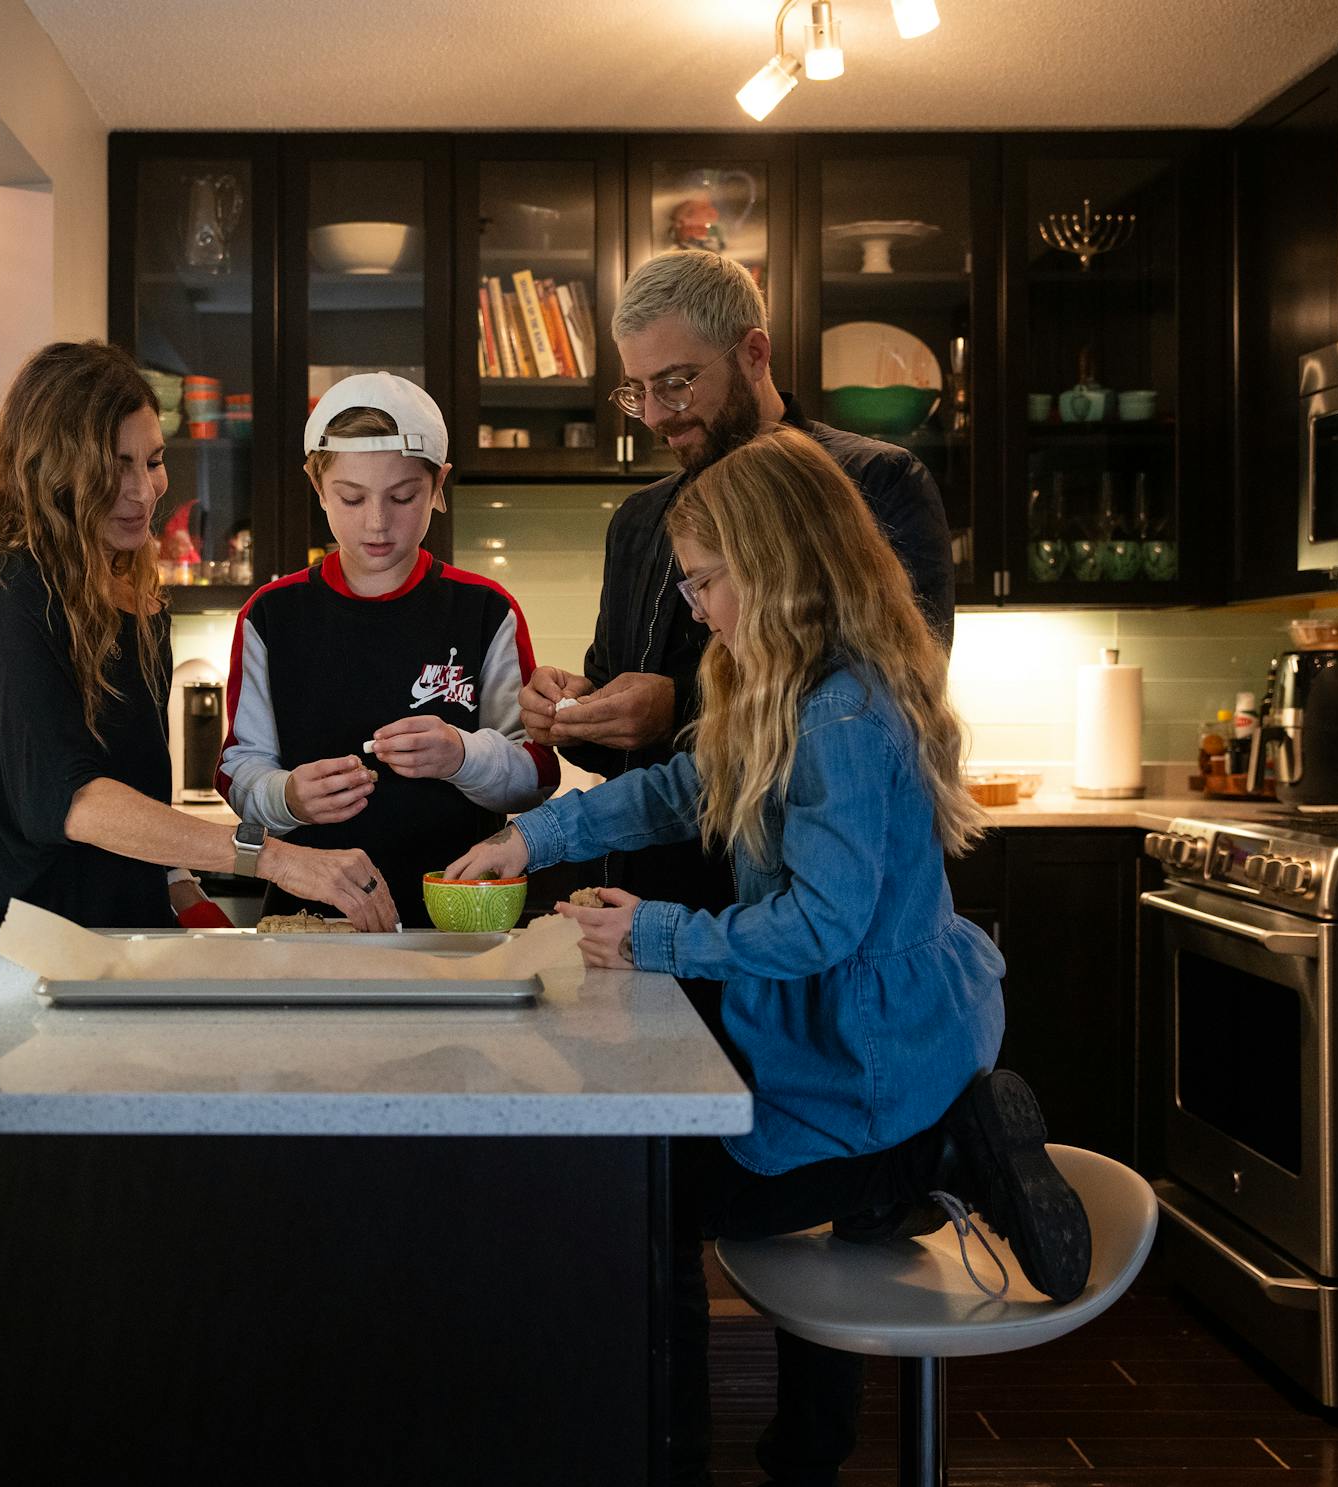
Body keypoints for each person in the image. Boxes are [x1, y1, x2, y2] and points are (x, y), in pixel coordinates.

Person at [446, 427, 1088, 1487]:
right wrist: (535, 836)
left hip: (865, 1053)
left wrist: (649, 933)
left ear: (778, 562)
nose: (693, 604)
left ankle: (924, 1157)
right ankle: (884, 1228)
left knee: (660, 1195)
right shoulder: (781, 677)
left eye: (705, 579)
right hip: (843, 1033)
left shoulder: (841, 709)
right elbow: (678, 788)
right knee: (694, 1181)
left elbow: (819, 926)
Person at [520, 248, 955, 928]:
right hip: (645, 909)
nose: (656, 414)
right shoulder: (640, 522)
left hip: (791, 924)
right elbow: (624, 748)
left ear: (753, 352)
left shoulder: (874, 484)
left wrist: (678, 708)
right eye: (638, 390)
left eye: (677, 381)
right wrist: (574, 715)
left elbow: (895, 692)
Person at [0, 341, 396, 931]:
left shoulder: (138, 606)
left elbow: (134, 792)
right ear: (54, 473)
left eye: (154, 459)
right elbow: (74, 800)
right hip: (10, 955)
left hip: (114, 947)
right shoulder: (2, 589)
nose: (145, 489)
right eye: (115, 465)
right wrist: (275, 859)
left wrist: (181, 889)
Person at [216, 373, 556, 925]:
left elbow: (538, 775)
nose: (377, 522)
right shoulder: (272, 615)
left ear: (439, 484)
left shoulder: (486, 610)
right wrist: (288, 797)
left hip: (459, 918)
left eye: (403, 497)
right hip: (312, 922)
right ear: (316, 484)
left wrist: (462, 756)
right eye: (351, 498)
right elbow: (238, 773)